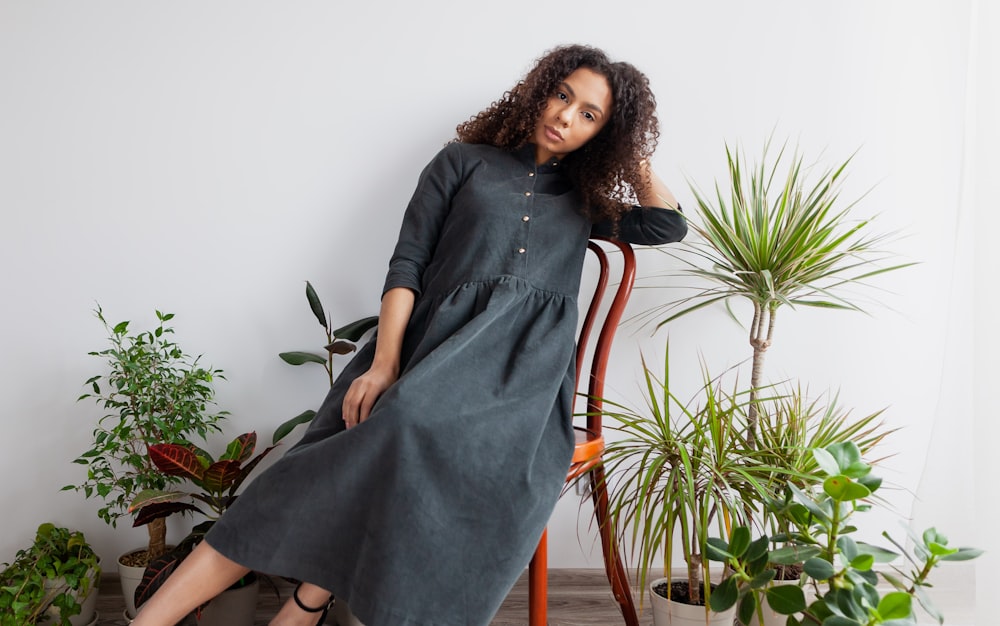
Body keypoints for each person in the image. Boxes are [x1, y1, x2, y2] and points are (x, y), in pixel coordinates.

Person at [131, 44, 687, 626]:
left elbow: (668, 223)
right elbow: (407, 265)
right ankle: (180, 618)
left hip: (518, 381)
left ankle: (306, 602)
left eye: (589, 116)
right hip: (427, 352)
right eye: (563, 95)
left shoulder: (584, 199)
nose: (566, 116)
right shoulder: (462, 162)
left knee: (400, 429)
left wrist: (625, 143)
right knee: (345, 449)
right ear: (540, 89)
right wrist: (384, 362)